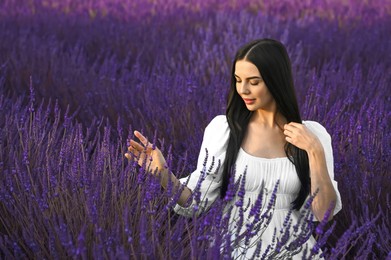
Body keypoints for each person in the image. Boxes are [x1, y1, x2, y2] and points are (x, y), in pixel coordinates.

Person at [125, 38, 342, 259]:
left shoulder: (313, 136)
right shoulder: (225, 131)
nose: (243, 89)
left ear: (276, 81)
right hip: (235, 249)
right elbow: (195, 203)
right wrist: (163, 175)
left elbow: (323, 213)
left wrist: (314, 151)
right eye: (238, 80)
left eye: (254, 81)